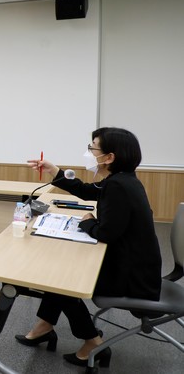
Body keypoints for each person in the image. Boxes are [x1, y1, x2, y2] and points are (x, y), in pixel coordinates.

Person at [16, 127, 162, 368]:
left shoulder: (119, 186)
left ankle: (92, 341)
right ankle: (45, 325)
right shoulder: (122, 179)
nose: (89, 153)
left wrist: (87, 222)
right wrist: (55, 171)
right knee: (61, 271)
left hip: (132, 278)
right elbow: (86, 191)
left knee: (64, 279)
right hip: (131, 265)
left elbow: (106, 233)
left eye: (92, 148)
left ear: (109, 157)